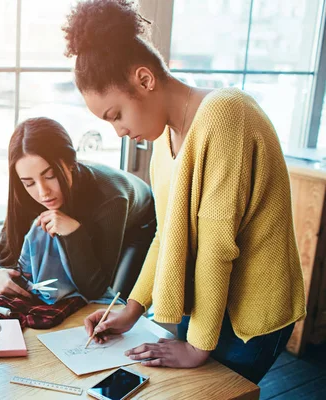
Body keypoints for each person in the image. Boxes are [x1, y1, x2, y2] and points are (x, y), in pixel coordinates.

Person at [64, 0, 306, 383]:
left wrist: (197, 347)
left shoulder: (227, 115)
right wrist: (132, 308)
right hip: (208, 305)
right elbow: (167, 234)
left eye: (116, 115)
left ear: (145, 80)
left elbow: (216, 245)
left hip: (249, 316)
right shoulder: (164, 139)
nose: (119, 132)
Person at [0, 116, 155, 302]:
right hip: (89, 210)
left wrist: (74, 233)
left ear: (71, 164)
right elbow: (6, 244)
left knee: (114, 305)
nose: (43, 193)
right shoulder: (27, 193)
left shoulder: (111, 198)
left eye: (50, 176)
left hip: (139, 225)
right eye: (29, 183)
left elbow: (97, 288)